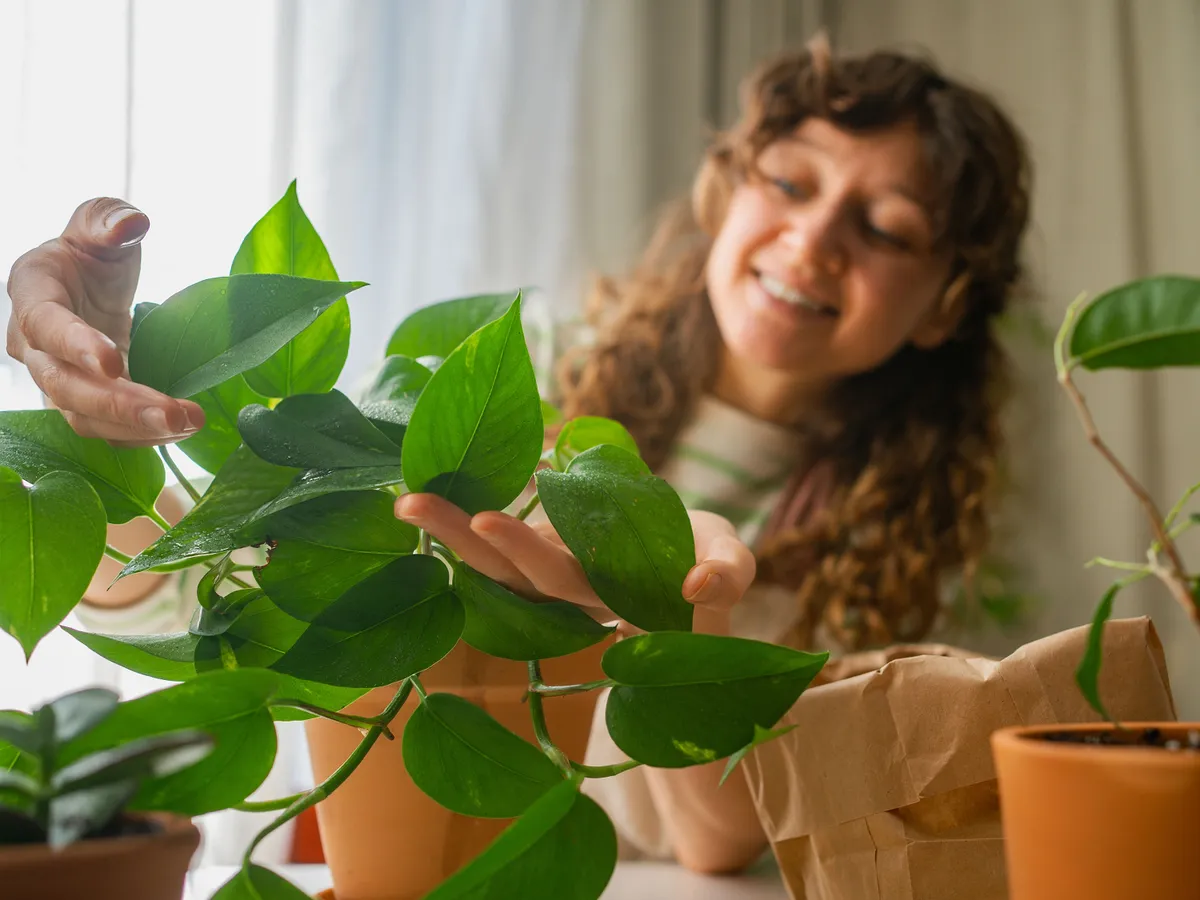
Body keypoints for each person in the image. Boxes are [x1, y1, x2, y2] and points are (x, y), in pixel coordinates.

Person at [6, 37, 1030, 875]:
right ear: (727, 187)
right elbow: (239, 600)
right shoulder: (525, 374)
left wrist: (675, 606)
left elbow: (730, 834)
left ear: (947, 300)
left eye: (887, 229)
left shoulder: (898, 532)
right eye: (790, 182)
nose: (812, 243)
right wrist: (131, 405)